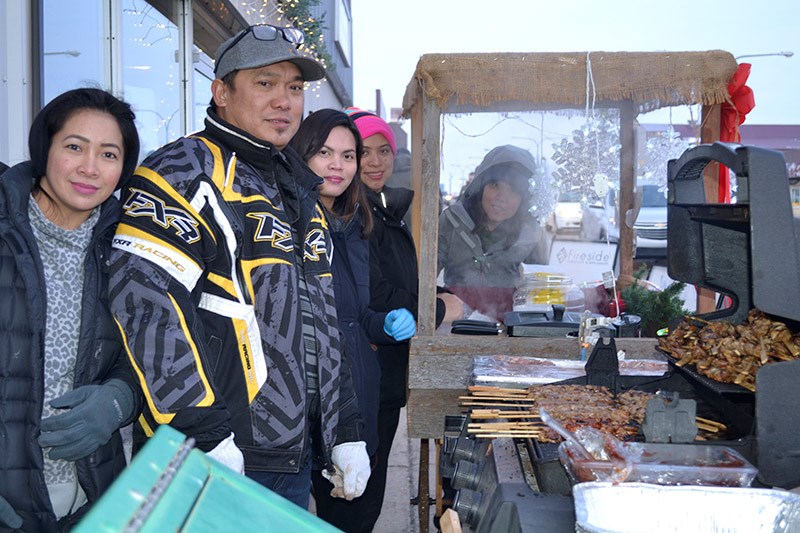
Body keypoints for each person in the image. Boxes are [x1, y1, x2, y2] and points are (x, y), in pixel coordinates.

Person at [108, 24, 369, 509]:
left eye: (293, 88)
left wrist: (346, 427)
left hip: (291, 458)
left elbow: (324, 322)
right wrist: (202, 432)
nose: (284, 101)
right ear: (221, 91)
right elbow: (146, 305)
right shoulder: (181, 171)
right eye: (265, 83)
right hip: (212, 453)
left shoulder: (300, 191)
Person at [0, 87, 143, 531]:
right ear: (46, 148)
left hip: (93, 501)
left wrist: (121, 400)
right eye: (75, 147)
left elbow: (153, 355)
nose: (89, 168)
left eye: (108, 154)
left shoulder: (131, 250)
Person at [289, 108, 416, 531]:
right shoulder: (287, 224)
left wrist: (383, 323)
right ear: (301, 154)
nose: (338, 165)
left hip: (358, 393)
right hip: (310, 404)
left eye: (347, 156)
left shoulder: (351, 225)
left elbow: (354, 314)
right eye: (325, 152)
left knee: (356, 516)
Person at [345, 107, 464, 529]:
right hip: (362, 377)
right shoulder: (349, 216)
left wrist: (435, 294)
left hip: (387, 375)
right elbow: (372, 293)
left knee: (368, 495)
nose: (374, 162)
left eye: (383, 151)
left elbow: (397, 281)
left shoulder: (383, 208)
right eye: (362, 152)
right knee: (353, 502)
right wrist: (435, 308)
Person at [438, 144, 550, 321]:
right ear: (481, 185)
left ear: (524, 199)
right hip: (455, 324)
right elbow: (424, 277)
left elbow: (540, 291)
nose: (501, 197)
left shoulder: (531, 234)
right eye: (495, 185)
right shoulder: (452, 221)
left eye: (513, 190)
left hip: (508, 328)